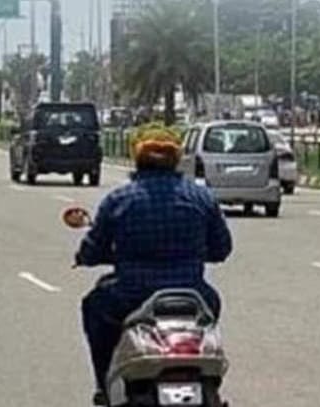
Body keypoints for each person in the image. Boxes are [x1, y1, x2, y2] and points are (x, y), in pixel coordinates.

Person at [75, 124, 232, 406]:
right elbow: (222, 248)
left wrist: (87, 257)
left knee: (94, 307)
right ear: (176, 159)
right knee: (212, 308)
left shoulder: (120, 199)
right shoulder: (201, 197)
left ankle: (104, 385)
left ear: (137, 158)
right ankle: (208, 379)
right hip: (192, 292)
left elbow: (92, 248)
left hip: (130, 294)